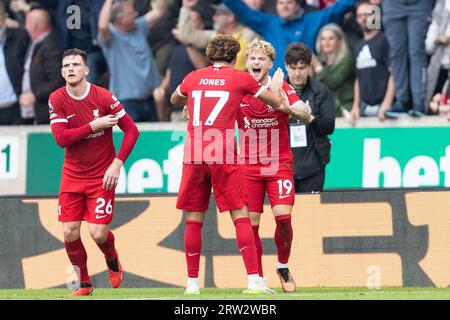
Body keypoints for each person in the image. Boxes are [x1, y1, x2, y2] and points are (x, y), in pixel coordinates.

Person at [170, 35, 286, 295]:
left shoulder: (193, 77)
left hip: (194, 152)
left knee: (193, 219)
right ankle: (254, 280)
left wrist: (190, 102)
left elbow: (174, 98)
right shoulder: (239, 78)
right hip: (222, 152)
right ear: (236, 58)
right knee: (240, 216)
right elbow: (276, 103)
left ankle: (191, 285)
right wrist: (276, 86)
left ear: (209, 54)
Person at [49, 48, 140, 296]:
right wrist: (93, 125)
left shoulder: (104, 97)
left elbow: (132, 131)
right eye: (66, 65)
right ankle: (85, 283)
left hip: (102, 176)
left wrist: (117, 162)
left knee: (98, 233)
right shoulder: (57, 98)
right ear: (62, 72)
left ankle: (112, 259)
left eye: (76, 64)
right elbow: (61, 139)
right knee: (69, 231)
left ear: (86, 70)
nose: (70, 68)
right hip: (72, 175)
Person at [236, 39, 311, 293]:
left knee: (284, 218)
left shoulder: (282, 87)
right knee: (251, 223)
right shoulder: (239, 87)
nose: (256, 62)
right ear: (247, 63)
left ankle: (282, 265)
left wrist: (286, 104)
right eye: (252, 58)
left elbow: (303, 112)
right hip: (248, 165)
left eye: (261, 59)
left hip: (278, 163)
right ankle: (256, 278)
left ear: (270, 64)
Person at [223, 0, 358, 72]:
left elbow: (340, 7)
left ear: (298, 5)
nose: (284, 6)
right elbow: (243, 11)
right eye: (280, 3)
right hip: (275, 89)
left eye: (289, 2)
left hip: (304, 86)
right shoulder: (270, 23)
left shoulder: (312, 21)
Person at [98, 0, 168, 122]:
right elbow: (102, 26)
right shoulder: (110, 36)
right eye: (132, 13)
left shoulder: (139, 26)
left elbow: (160, 11)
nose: (136, 14)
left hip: (150, 101)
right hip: (127, 105)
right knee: (131, 140)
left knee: (152, 141)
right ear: (120, 18)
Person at [285, 43, 336, 192]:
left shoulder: (320, 91)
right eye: (293, 68)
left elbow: (329, 126)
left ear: (309, 67)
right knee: (283, 214)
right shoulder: (277, 93)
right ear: (286, 66)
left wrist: (309, 118)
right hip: (283, 169)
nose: (297, 73)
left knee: (312, 214)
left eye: (301, 68)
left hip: (314, 168)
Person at [382, 0, 434, 118]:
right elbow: (373, 24)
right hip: (392, 4)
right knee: (396, 52)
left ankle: (419, 103)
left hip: (420, 3)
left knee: (416, 51)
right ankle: (401, 101)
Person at [350, 0, 394, 124]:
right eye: (360, 15)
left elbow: (394, 74)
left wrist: (387, 103)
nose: (363, 18)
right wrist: (355, 106)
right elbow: (357, 79)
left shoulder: (385, 39)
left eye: (367, 14)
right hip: (364, 108)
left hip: (384, 107)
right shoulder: (357, 46)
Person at [21, 8, 64, 124]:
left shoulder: (50, 47)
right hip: (35, 112)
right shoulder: (36, 43)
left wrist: (35, 96)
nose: (25, 28)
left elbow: (58, 80)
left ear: (34, 25)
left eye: (26, 23)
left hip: (47, 115)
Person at [313, 23, 354, 118]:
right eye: (323, 39)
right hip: (326, 113)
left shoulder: (347, 59)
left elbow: (332, 81)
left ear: (339, 41)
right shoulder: (320, 61)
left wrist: (317, 66)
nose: (326, 42)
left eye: (331, 38)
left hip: (346, 111)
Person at [0, 1, 28, 125]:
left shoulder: (18, 37)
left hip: (15, 109)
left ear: (3, 16)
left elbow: (32, 35)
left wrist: (19, 24)